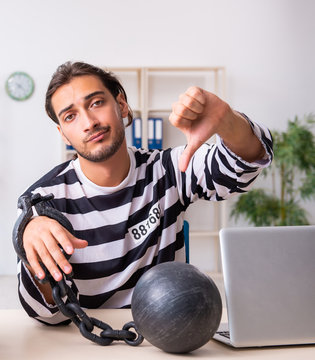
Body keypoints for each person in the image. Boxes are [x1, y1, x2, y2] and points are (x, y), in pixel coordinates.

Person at [15, 61, 273, 325]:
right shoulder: (44, 200)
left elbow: (243, 167)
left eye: (96, 103)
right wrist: (30, 247)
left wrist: (227, 121)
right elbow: (48, 315)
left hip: (169, 332)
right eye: (71, 116)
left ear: (122, 105)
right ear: (63, 134)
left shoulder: (169, 169)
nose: (89, 123)